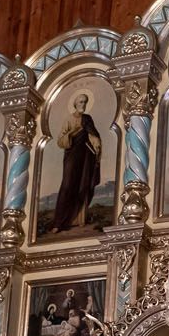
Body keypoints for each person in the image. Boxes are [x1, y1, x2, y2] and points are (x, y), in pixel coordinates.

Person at [49, 93, 103, 232]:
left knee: (83, 185)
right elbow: (60, 141)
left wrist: (97, 144)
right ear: (75, 104)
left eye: (85, 102)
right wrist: (72, 133)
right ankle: (59, 223)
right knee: (67, 185)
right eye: (80, 102)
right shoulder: (69, 119)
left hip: (85, 156)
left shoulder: (87, 119)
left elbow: (93, 135)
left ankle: (79, 220)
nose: (83, 105)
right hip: (72, 156)